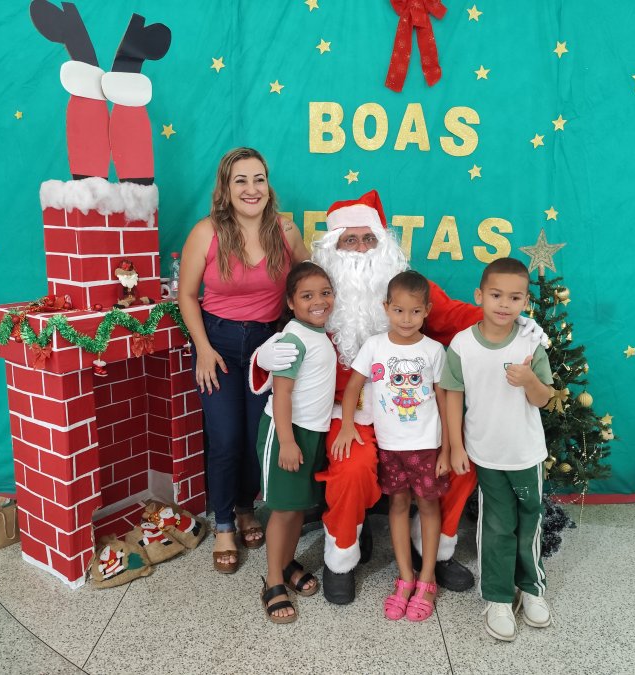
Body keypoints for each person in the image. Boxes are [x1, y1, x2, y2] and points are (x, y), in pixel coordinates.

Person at [251, 190, 547, 604]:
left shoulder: (404, 287)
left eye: (368, 239)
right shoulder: (322, 295)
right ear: (333, 248)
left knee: (461, 462)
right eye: (349, 240)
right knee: (352, 468)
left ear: (383, 243)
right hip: (347, 414)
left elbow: (456, 314)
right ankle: (342, 558)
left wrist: (515, 324)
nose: (360, 249)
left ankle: (433, 551)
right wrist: (263, 357)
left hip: (415, 415)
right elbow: (289, 338)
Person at [178, 147, 309, 573]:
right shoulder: (207, 232)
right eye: (241, 180)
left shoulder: (286, 232)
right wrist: (202, 348)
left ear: (268, 185)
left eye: (258, 179)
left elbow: (308, 284)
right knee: (225, 437)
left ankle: (246, 508)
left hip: (266, 346)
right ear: (226, 188)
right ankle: (223, 524)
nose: (251, 189)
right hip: (217, 343)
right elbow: (187, 295)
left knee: (257, 437)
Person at [441, 257, 554, 642]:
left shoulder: (530, 342)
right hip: (486, 455)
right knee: (496, 525)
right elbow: (453, 396)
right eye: (496, 295)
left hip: (526, 454)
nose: (505, 304)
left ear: (525, 302)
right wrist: (456, 446)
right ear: (479, 296)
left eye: (515, 297)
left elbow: (543, 399)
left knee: (530, 522)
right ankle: (498, 596)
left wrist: (529, 380)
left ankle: (532, 588)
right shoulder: (462, 344)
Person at [332, 271, 449, 622]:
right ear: (386, 308)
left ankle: (427, 579)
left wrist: (447, 447)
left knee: (427, 507)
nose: (406, 319)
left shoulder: (433, 351)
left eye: (415, 312)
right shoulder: (374, 346)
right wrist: (347, 425)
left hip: (427, 446)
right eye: (399, 310)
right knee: (398, 505)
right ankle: (405, 577)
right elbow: (353, 387)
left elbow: (444, 400)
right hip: (390, 446)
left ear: (427, 310)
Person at [257, 262, 337, 623]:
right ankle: (273, 580)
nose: (318, 301)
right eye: (307, 296)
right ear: (290, 302)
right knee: (283, 509)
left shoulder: (319, 333)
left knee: (297, 506)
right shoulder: (293, 339)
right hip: (286, 432)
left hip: (311, 432)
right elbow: (282, 394)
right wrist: (287, 441)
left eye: (325, 293)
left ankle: (287, 562)